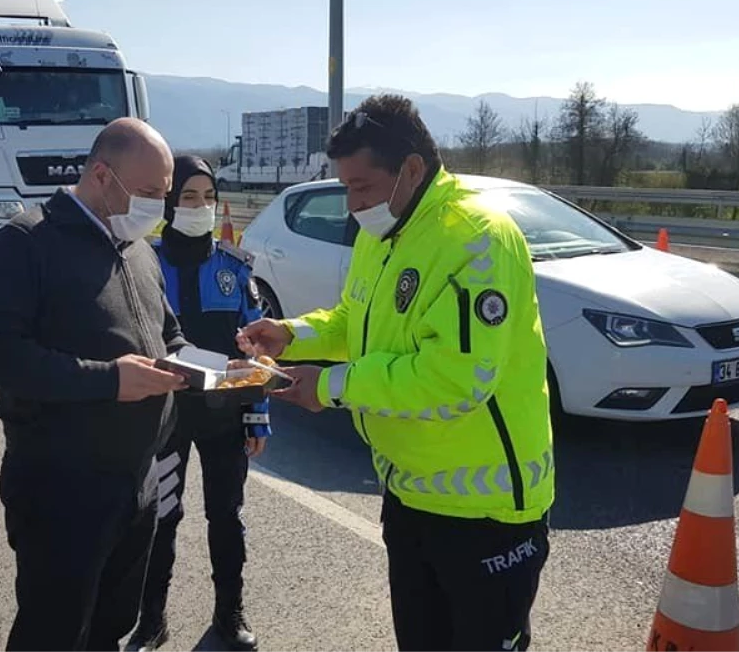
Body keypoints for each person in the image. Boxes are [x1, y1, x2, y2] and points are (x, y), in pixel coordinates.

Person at [238, 94, 555, 652]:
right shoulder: (381, 233)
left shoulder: (476, 239)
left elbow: (455, 379)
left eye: (361, 187)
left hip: (486, 512)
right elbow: (355, 321)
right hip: (408, 495)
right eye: (346, 188)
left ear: (411, 169)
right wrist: (291, 334)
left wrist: (331, 387)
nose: (352, 204)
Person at [0, 117, 191, 652]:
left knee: (110, 628)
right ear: (101, 175)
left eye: (164, 193)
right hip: (60, 489)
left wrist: (200, 366)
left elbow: (168, 334)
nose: (160, 206)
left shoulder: (139, 251)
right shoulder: (25, 242)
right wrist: (110, 380)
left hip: (136, 483)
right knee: (53, 632)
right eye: (150, 193)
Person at [125, 157, 271, 652]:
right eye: (189, 197)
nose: (201, 207)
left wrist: (257, 416)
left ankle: (230, 613)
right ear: (168, 203)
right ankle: (151, 620)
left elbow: (256, 354)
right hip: (164, 420)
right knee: (159, 519)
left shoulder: (233, 269)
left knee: (226, 517)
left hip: (224, 420)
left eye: (209, 197)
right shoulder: (143, 263)